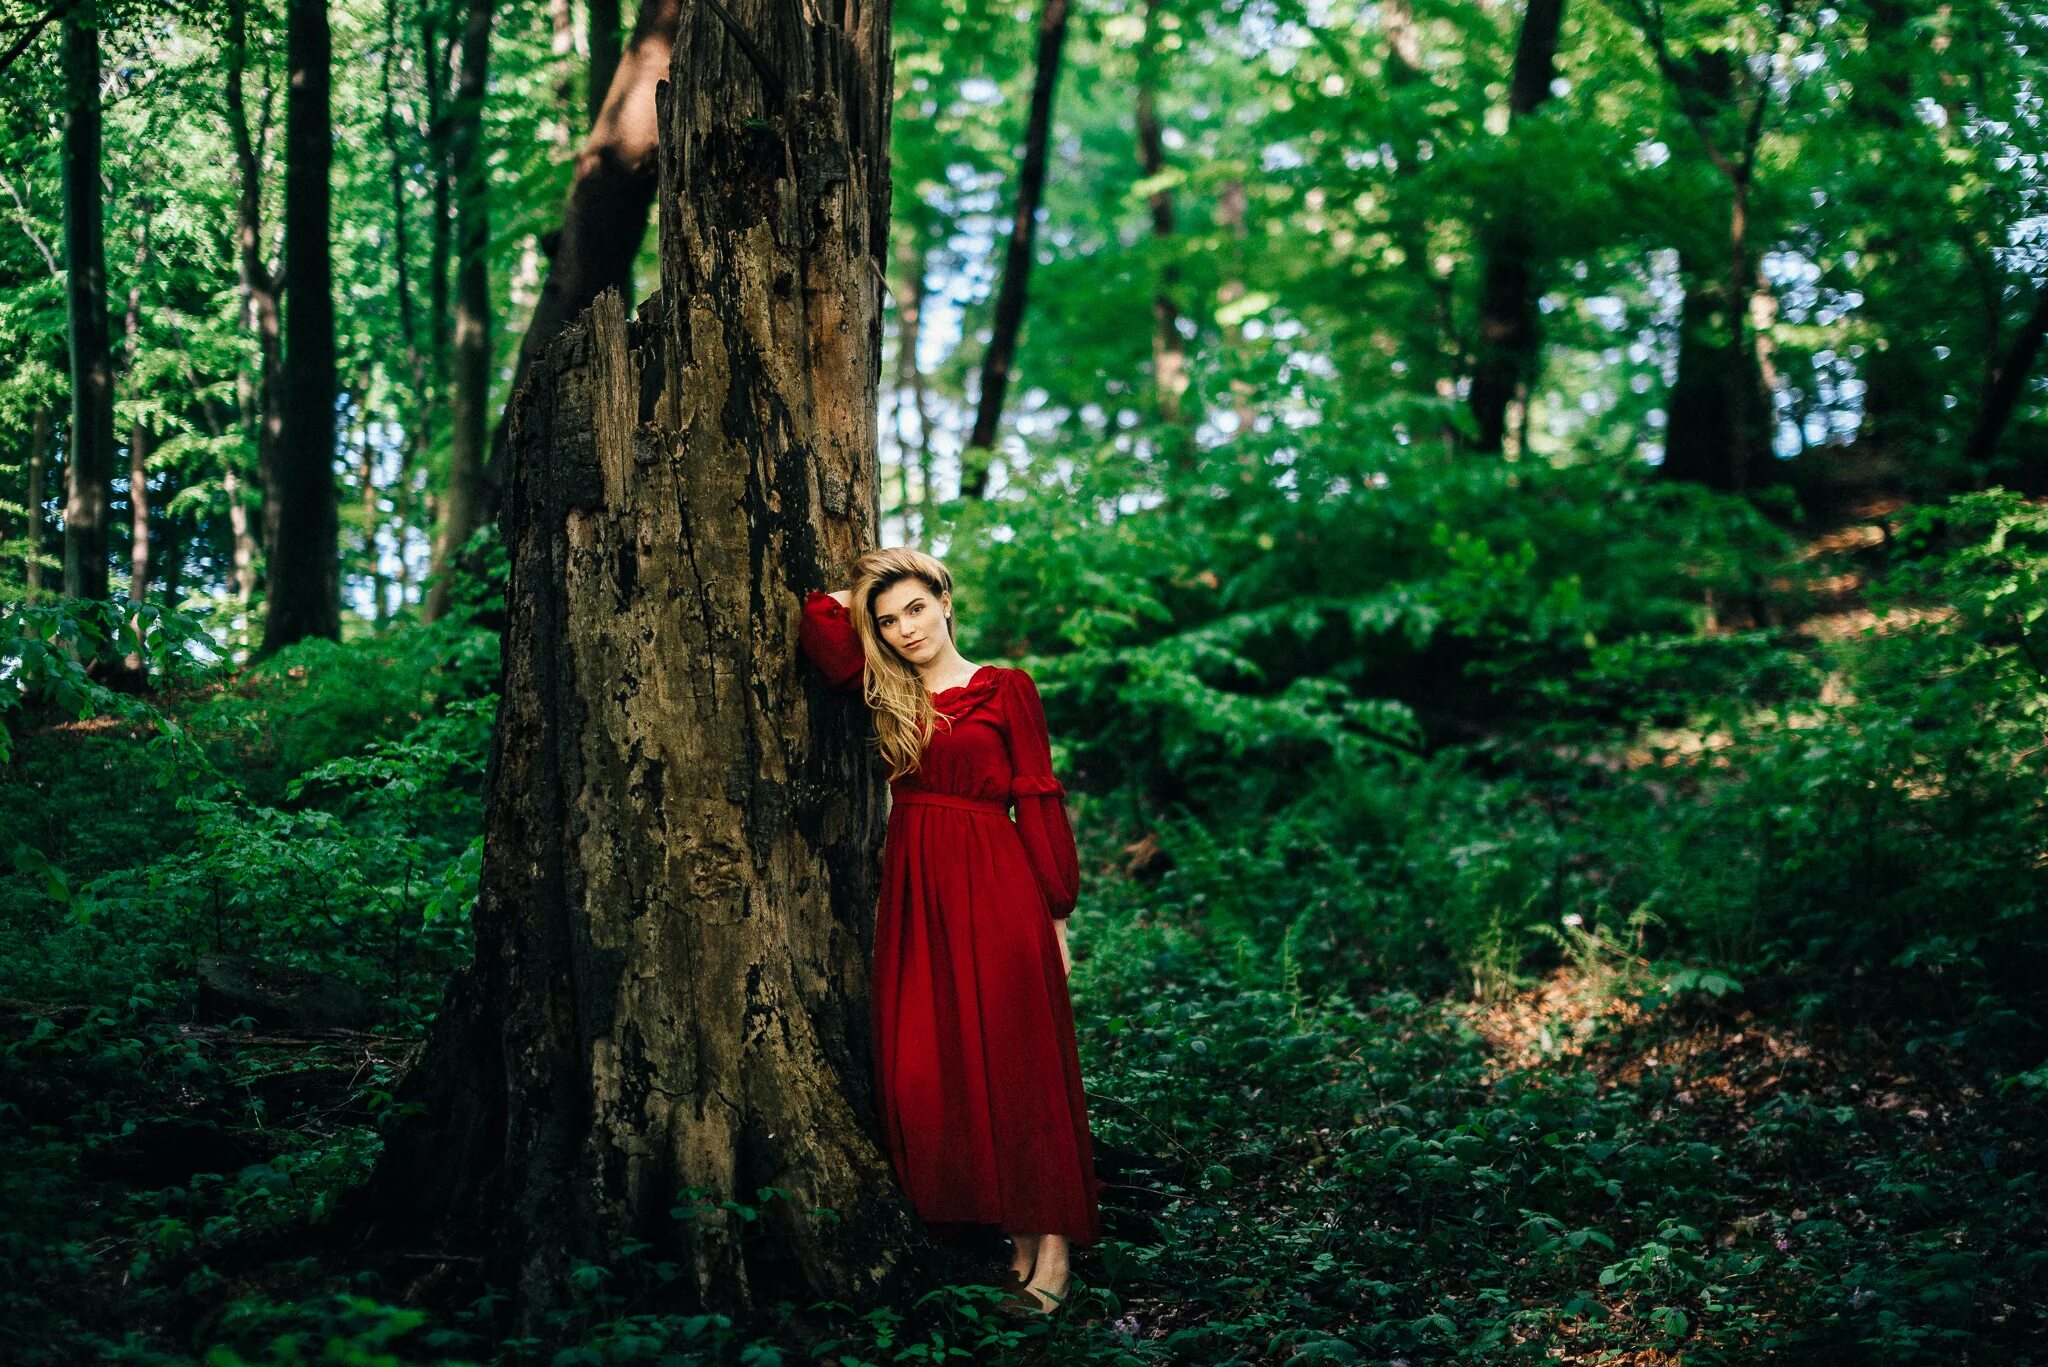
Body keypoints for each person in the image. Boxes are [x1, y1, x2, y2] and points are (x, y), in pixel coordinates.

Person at [797, 546, 1101, 1318]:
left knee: (1017, 1059)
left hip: (998, 885)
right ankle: (1008, 1235)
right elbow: (822, 629)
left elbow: (1036, 793)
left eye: (916, 608)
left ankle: (1052, 1253)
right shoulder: (886, 690)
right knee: (933, 1063)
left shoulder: (1004, 688)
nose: (904, 629)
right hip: (917, 893)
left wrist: (1057, 911)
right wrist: (855, 591)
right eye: (889, 619)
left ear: (945, 601)